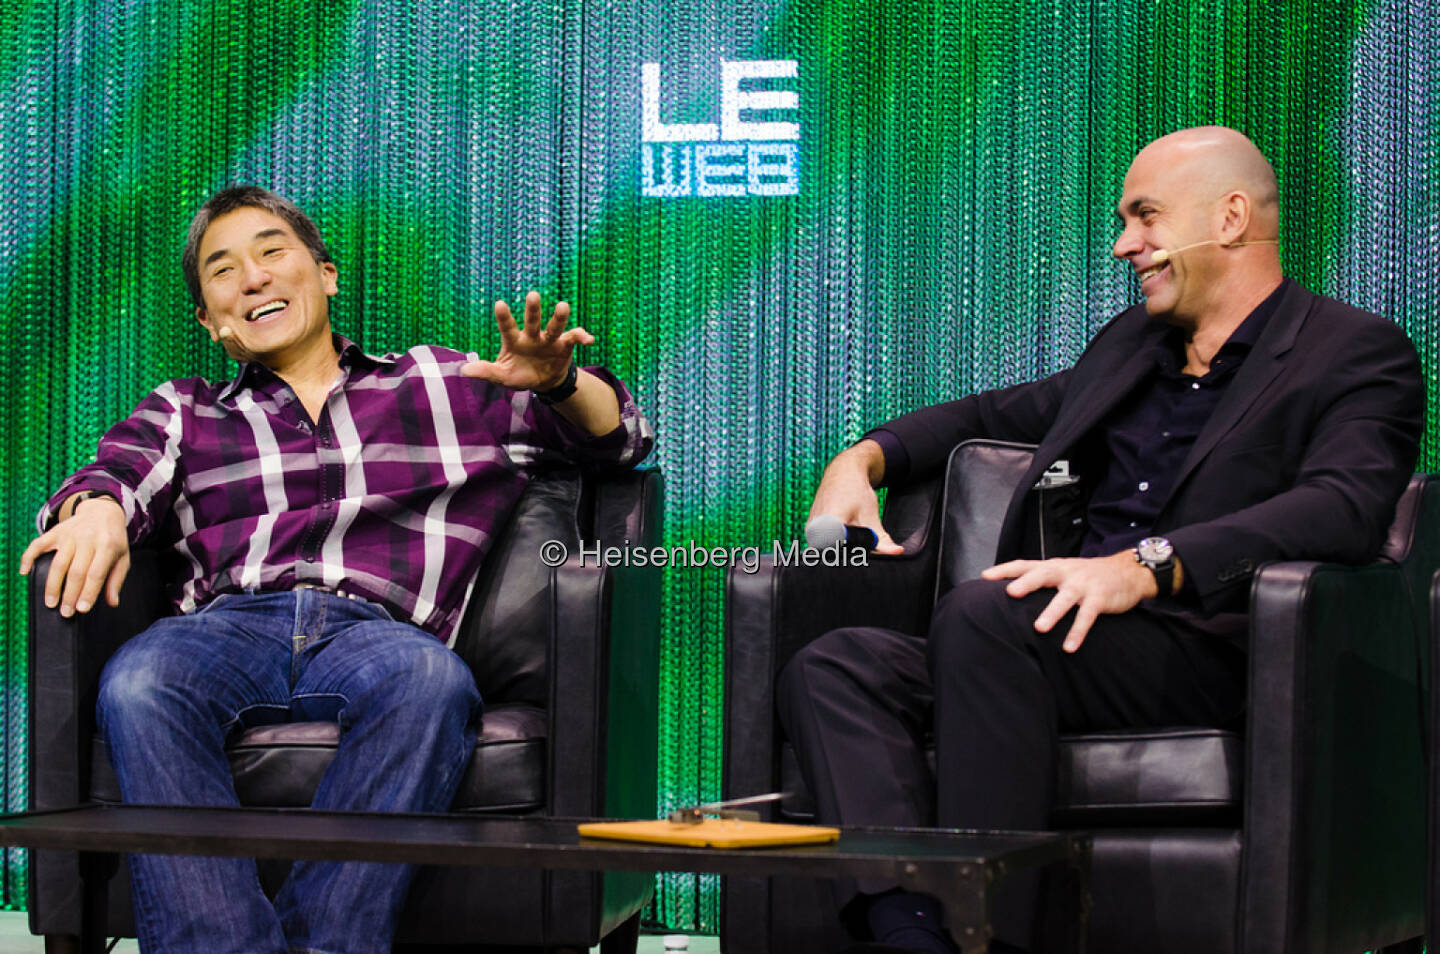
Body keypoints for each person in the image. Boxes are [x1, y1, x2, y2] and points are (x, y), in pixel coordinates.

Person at [777, 126, 1424, 953]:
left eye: (1144, 216)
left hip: (1210, 645)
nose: (1124, 245)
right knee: (835, 665)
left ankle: (991, 940)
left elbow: (1345, 506)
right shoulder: (1131, 348)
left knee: (984, 615)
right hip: (1062, 642)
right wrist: (861, 458)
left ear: (1229, 218)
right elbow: (984, 418)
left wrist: (1149, 567)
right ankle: (912, 933)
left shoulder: (1355, 352)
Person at [18, 186, 653, 954]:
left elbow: (620, 443)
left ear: (326, 276)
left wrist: (559, 383)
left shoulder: (447, 385)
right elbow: (114, 474)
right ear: (212, 324)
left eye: (271, 252)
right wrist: (97, 510)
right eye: (224, 270)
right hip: (226, 627)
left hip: (377, 630)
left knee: (432, 683)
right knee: (139, 681)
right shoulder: (186, 410)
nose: (252, 276)